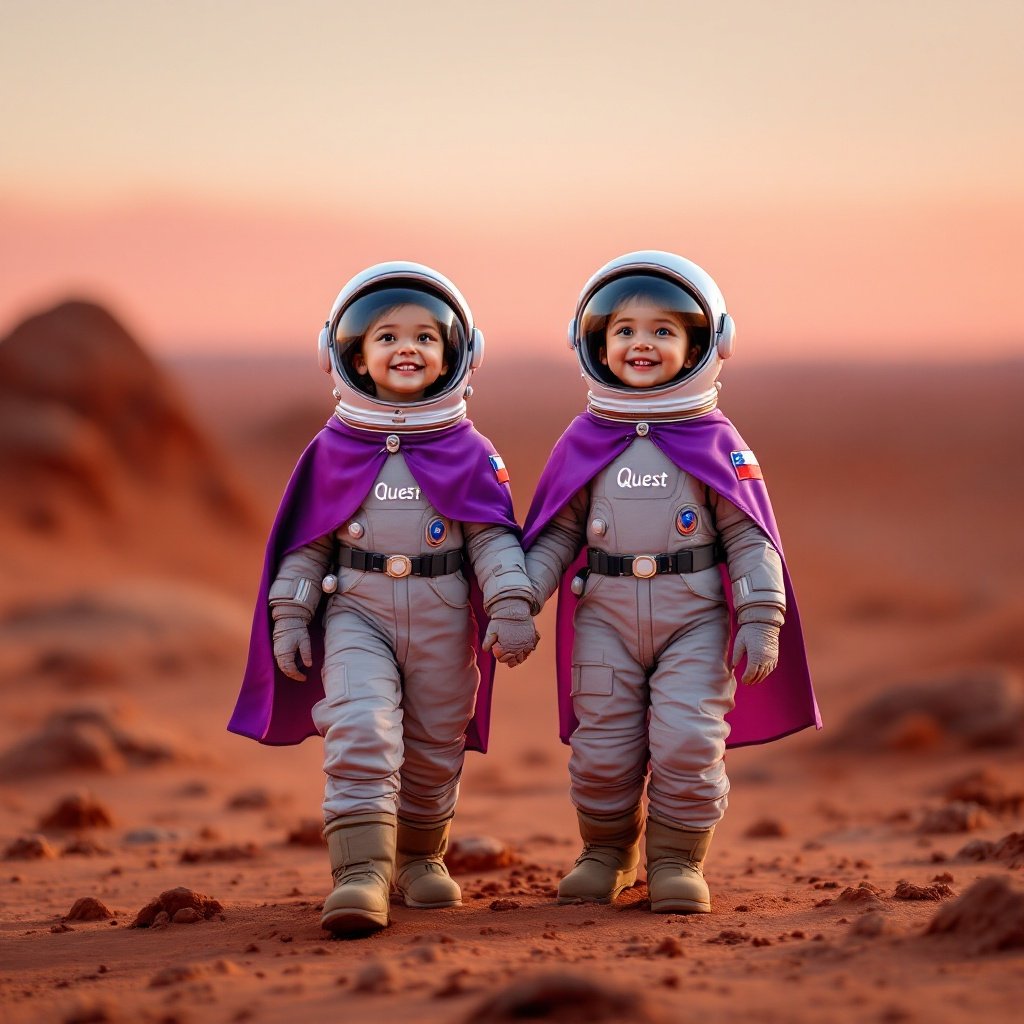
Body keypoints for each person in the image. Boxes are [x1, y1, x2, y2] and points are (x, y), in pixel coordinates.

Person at [229, 262, 538, 936]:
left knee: (434, 744)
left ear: (460, 353)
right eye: (387, 336)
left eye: (427, 337)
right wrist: (290, 615)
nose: (408, 348)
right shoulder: (331, 450)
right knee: (360, 727)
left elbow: (492, 538)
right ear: (347, 356)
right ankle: (360, 871)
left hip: (444, 617)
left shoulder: (470, 450)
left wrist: (511, 603)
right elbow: (308, 544)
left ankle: (420, 858)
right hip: (356, 612)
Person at [523, 251, 819, 914]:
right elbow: (554, 534)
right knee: (602, 746)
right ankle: (606, 851)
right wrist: (520, 597)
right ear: (594, 345)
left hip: (697, 619)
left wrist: (762, 616)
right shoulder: (584, 439)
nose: (641, 343)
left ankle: (677, 860)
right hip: (605, 617)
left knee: (688, 738)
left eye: (663, 330)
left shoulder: (715, 440)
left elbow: (750, 536)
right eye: (624, 330)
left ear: (703, 344)